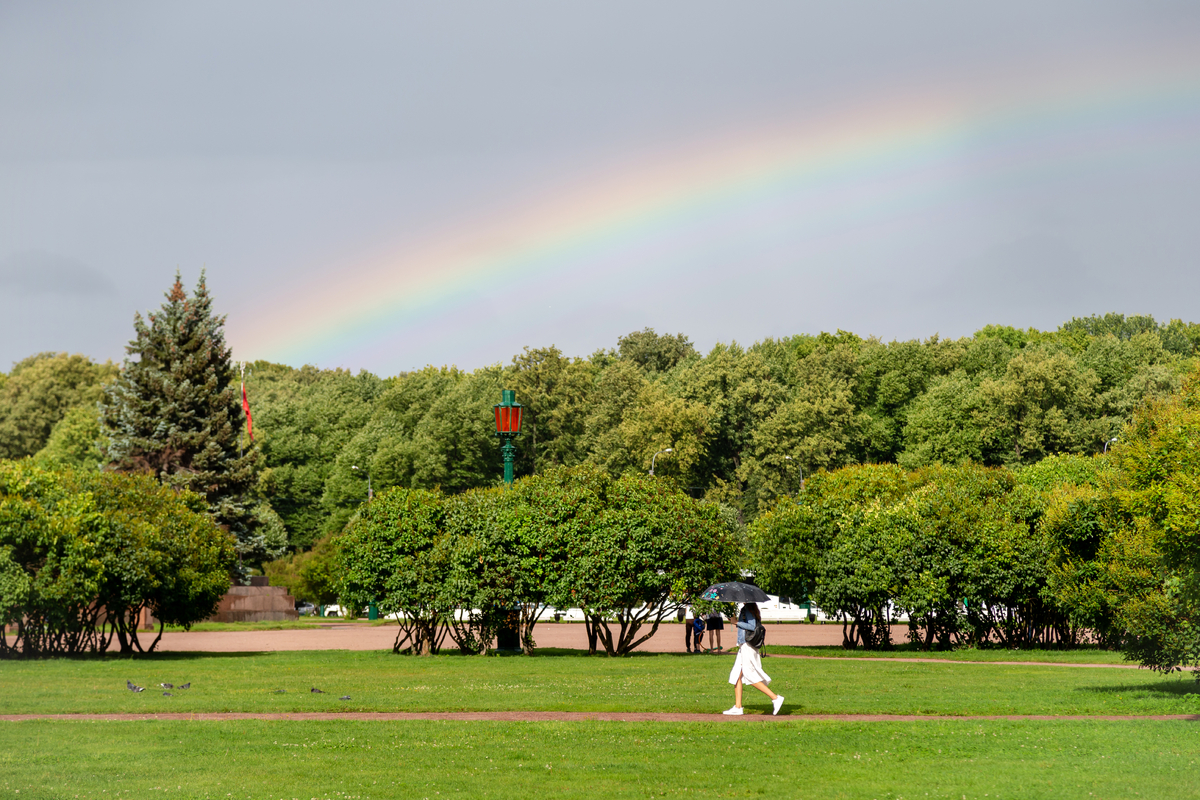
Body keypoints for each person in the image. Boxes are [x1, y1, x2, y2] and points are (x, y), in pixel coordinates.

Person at [723, 602, 784, 715]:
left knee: (749, 675)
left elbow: (752, 626)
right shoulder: (750, 608)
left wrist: (736, 622)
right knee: (736, 675)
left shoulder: (748, 609)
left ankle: (775, 698)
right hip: (744, 646)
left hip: (747, 646)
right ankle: (738, 707)